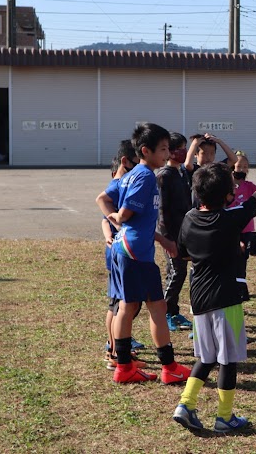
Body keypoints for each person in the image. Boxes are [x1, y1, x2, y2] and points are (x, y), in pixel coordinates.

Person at [172, 136, 256, 433]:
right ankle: (224, 417)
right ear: (227, 196)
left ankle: (186, 404)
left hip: (198, 299)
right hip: (226, 298)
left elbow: (181, 253)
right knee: (228, 360)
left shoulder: (189, 218)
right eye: (232, 187)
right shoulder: (230, 219)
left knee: (206, 357)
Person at [103, 123, 192, 384]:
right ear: (146, 150)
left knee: (128, 306)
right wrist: (119, 218)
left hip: (128, 247)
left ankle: (124, 366)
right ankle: (168, 366)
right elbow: (127, 211)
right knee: (155, 307)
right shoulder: (144, 176)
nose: (168, 153)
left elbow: (104, 197)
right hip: (135, 252)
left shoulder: (131, 174)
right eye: (163, 149)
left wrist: (160, 238)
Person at [96, 142, 146, 369]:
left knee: (118, 304)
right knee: (122, 305)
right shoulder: (121, 185)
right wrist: (114, 228)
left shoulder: (120, 184)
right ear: (126, 162)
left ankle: (115, 347)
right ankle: (115, 351)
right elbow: (108, 217)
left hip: (120, 250)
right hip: (123, 252)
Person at [156, 132, 193, 333]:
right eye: (179, 148)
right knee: (176, 272)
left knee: (178, 273)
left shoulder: (181, 173)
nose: (184, 152)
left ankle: (173, 310)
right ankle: (164, 313)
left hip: (183, 233)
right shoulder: (164, 176)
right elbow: (161, 210)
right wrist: (167, 239)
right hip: (171, 236)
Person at [229, 150, 256, 254]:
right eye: (239, 166)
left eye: (245, 167)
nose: (242, 169)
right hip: (231, 228)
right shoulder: (226, 185)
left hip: (247, 228)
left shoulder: (249, 186)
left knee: (244, 255)